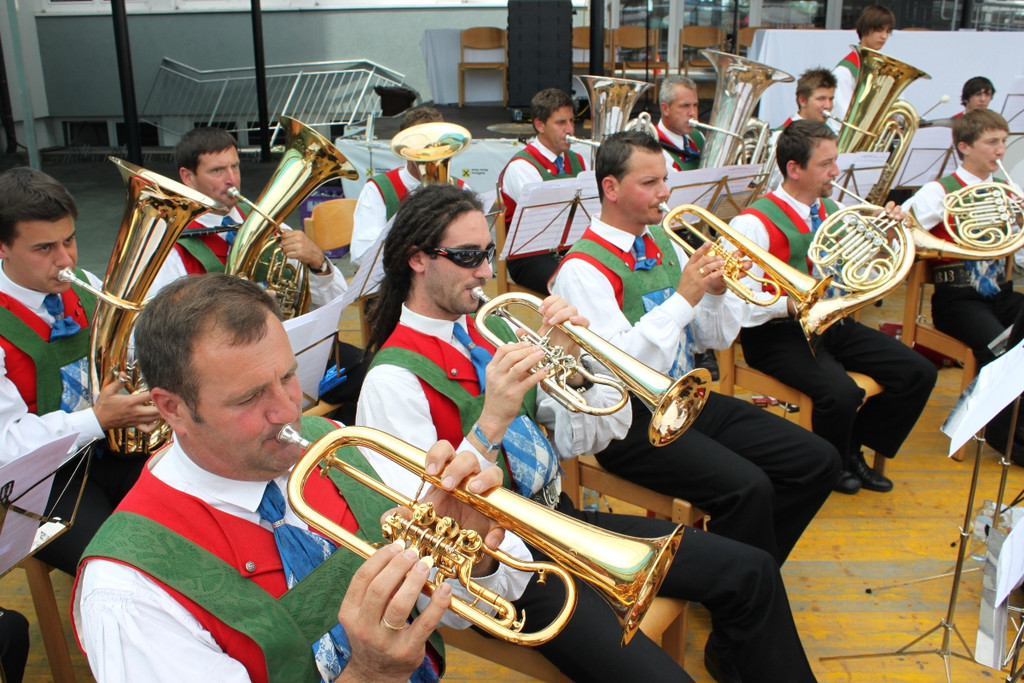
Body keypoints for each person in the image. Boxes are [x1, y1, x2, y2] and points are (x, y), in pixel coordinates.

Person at [358, 182, 818, 682]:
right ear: (418, 259)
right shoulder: (392, 381)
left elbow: (586, 436)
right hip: (502, 568)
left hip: (561, 519)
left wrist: (573, 365)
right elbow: (421, 535)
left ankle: (733, 661)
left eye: (487, 254)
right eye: (468, 257)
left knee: (753, 571)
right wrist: (490, 424)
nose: (486, 272)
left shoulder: (488, 330)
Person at [74, 273, 531, 682]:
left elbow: (484, 599)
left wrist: (471, 555)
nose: (288, 410)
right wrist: (370, 676)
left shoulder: (334, 442)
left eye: (288, 376)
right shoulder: (124, 589)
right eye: (249, 398)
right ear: (172, 408)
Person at [551, 130, 838, 564]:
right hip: (629, 423)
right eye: (649, 183)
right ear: (610, 188)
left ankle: (751, 571)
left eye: (664, 180)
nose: (665, 192)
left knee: (817, 460)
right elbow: (617, 370)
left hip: (687, 398)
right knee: (749, 488)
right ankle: (741, 579)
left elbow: (713, 339)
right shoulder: (582, 269)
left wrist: (717, 294)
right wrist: (684, 298)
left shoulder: (665, 241)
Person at [730, 119, 937, 494]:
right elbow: (739, 303)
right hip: (776, 334)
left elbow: (865, 266)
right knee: (840, 392)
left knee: (917, 372)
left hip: (831, 324)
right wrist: (789, 306)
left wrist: (891, 234)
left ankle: (852, 449)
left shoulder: (834, 209)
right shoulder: (752, 223)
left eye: (835, 161)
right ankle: (832, 465)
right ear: (795, 169)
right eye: (826, 163)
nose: (836, 171)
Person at [0, 166, 160, 574]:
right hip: (38, 481)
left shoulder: (86, 284)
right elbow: (5, 447)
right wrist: (98, 419)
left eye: (69, 240)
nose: (65, 259)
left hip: (109, 450)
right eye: (44, 248)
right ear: (3, 247)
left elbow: (128, 360)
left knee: (198, 513)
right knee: (117, 567)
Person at [148, 126, 347, 306]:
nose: (232, 179)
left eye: (235, 166)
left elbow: (337, 299)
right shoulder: (171, 247)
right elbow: (160, 324)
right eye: (217, 170)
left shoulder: (263, 221)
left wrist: (318, 263)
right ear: (188, 177)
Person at [902, 109, 1022, 367]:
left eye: (1003, 141)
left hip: (1001, 293)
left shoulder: (1008, 189)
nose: (1001, 150)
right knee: (1002, 354)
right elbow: (901, 230)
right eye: (992, 142)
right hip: (957, 300)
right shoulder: (938, 192)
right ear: (965, 147)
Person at [351, 106, 469, 267]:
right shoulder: (378, 189)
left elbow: (478, 249)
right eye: (421, 147)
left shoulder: (461, 188)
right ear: (405, 149)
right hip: (397, 277)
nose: (431, 156)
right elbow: (361, 254)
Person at [497, 88, 586, 294]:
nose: (570, 129)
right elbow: (544, 222)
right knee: (575, 285)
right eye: (561, 123)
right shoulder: (522, 166)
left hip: (571, 247)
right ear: (540, 125)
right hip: (531, 256)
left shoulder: (579, 160)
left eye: (571, 121)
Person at [764, 68, 837, 191]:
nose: (828, 105)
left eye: (831, 99)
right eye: (821, 99)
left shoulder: (829, 134)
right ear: (802, 100)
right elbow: (774, 183)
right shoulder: (781, 136)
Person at [830, 4, 896, 126]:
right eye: (879, 30)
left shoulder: (889, 68)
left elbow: (897, 105)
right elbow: (841, 116)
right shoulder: (844, 71)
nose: (884, 36)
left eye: (888, 31)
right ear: (865, 29)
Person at [656, 76, 704, 172]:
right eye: (685, 106)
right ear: (665, 109)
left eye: (695, 105)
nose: (693, 113)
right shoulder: (655, 149)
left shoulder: (698, 136)